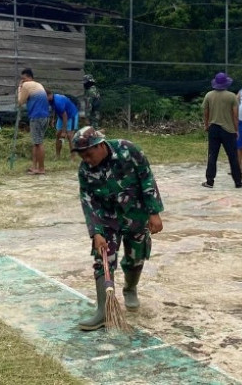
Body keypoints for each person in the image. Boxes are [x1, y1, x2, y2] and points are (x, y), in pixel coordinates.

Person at [72, 126, 164, 331]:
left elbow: (147, 178)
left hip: (135, 213)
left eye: (88, 154)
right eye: (81, 156)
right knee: (103, 258)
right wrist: (95, 232)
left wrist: (154, 211)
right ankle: (104, 311)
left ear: (100, 145)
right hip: (107, 218)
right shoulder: (85, 170)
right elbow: (88, 201)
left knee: (136, 256)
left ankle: (130, 288)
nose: (86, 159)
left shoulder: (129, 150)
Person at [201, 72, 242, 189]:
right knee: (232, 156)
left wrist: (206, 125)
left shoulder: (209, 95)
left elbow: (206, 112)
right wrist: (236, 129)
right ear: (226, 83)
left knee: (212, 155)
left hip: (213, 127)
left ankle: (210, 181)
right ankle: (238, 181)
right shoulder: (231, 96)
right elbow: (235, 115)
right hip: (228, 129)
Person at [17, 68, 49, 175]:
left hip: (37, 116)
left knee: (39, 143)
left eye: (23, 79)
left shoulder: (26, 85)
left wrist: (19, 88)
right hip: (44, 116)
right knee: (36, 143)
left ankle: (41, 169)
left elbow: (20, 101)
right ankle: (34, 167)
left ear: (28, 77)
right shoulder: (38, 85)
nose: (22, 81)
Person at [46, 89, 79, 160]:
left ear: (49, 95)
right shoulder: (50, 100)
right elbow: (55, 109)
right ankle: (57, 156)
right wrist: (53, 119)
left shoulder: (58, 101)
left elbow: (65, 116)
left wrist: (64, 131)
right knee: (58, 134)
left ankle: (73, 157)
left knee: (70, 136)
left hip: (71, 115)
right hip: (61, 116)